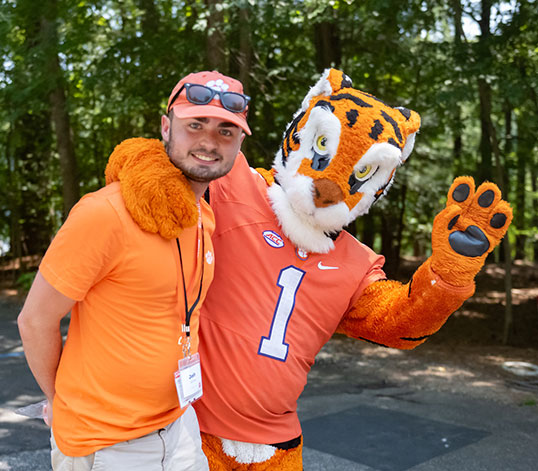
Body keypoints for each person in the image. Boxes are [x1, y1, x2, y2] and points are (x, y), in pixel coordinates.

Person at [110, 68, 512, 470]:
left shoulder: (356, 262)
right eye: (322, 145)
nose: (330, 187)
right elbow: (161, 157)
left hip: (279, 448)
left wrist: (448, 275)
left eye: (361, 173)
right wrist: (148, 174)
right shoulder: (237, 185)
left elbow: (398, 323)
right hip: (192, 433)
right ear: (300, 130)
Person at [17, 70, 250, 471]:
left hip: (180, 427)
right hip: (107, 444)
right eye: (195, 125)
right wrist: (60, 403)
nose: (209, 142)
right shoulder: (104, 213)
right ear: (166, 127)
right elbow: (35, 320)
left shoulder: (203, 216)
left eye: (226, 131)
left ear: (241, 142)